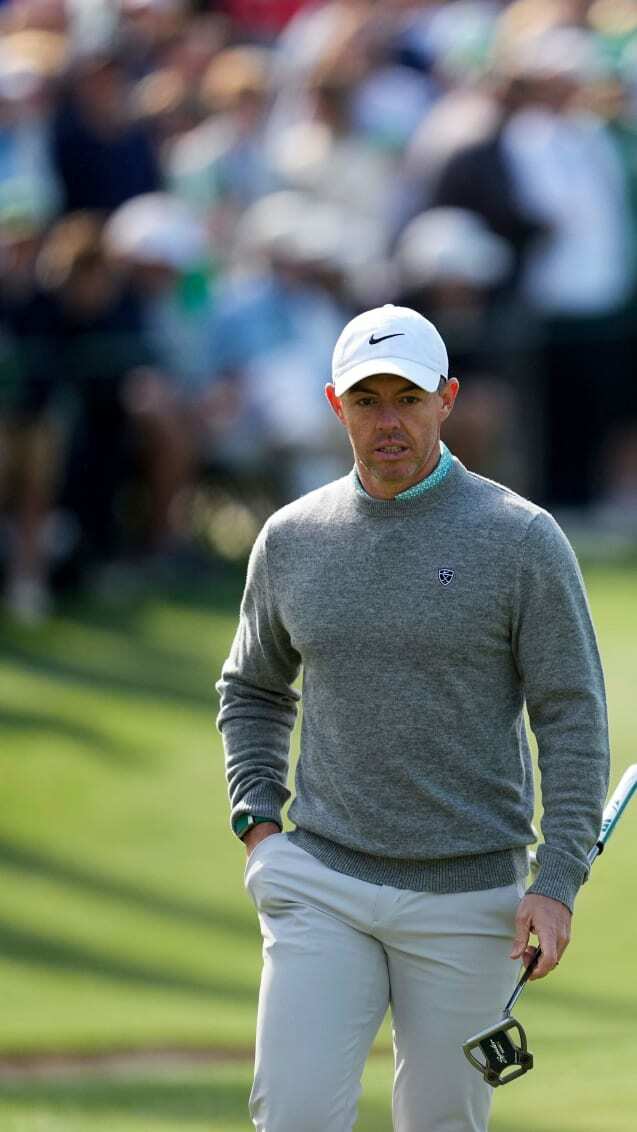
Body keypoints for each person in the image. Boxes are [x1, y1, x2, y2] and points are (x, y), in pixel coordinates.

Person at [216, 304, 610, 1132]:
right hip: (322, 882)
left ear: (446, 400)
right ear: (336, 405)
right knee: (292, 1116)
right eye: (366, 401)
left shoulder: (520, 539)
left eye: (408, 399)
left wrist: (556, 883)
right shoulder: (291, 538)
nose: (387, 422)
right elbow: (252, 687)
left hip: (470, 898)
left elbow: (571, 717)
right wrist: (258, 825)